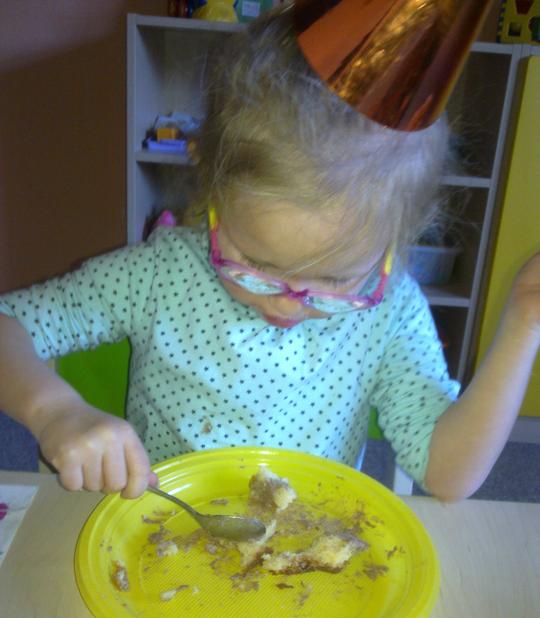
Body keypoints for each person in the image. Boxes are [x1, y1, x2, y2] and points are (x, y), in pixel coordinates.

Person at [0, 6, 538, 502]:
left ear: (396, 245)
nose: (287, 303)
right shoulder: (158, 275)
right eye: (257, 265)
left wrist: (523, 325)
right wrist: (55, 411)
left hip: (306, 547)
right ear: (212, 193)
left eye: (336, 280)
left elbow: (446, 475)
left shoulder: (392, 311)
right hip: (163, 527)